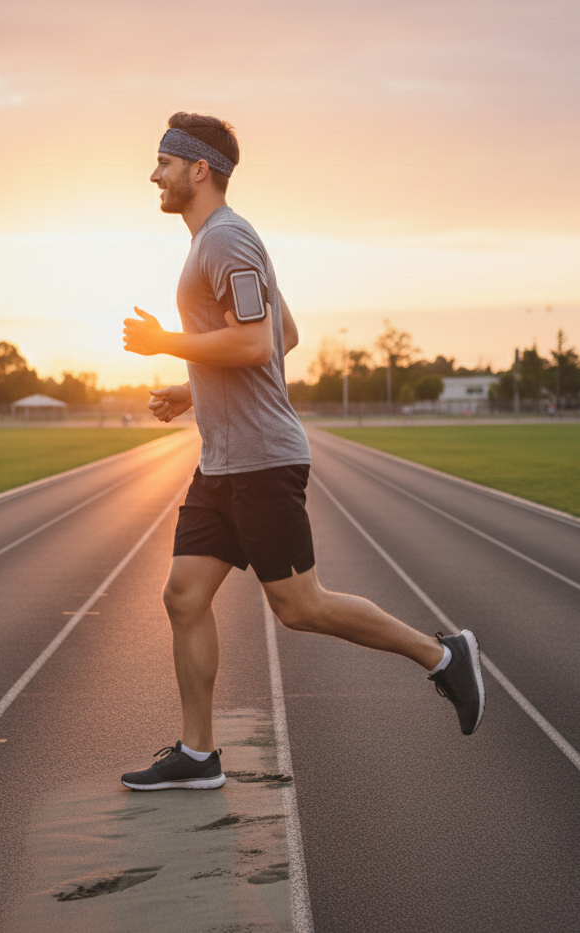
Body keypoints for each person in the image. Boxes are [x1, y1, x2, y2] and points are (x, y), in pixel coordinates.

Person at [120, 112, 485, 791]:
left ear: (199, 169)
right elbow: (282, 333)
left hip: (261, 460)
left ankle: (443, 655)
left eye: (164, 163)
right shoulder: (214, 242)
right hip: (223, 461)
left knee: (300, 606)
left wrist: (165, 342)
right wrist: (193, 390)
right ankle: (198, 755)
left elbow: (255, 342)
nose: (154, 175)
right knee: (183, 595)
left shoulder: (225, 240)